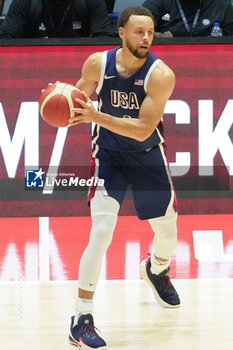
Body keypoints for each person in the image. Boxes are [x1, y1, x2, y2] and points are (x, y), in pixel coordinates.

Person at [66, 5, 180, 349]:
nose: (146, 38)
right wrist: (63, 104)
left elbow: (145, 129)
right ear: (121, 32)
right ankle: (81, 316)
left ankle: (156, 270)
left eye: (150, 32)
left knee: (168, 233)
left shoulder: (161, 74)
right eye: (138, 32)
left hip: (147, 156)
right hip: (109, 157)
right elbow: (77, 100)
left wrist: (95, 115)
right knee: (101, 231)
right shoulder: (97, 63)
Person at [0, 0, 112, 38]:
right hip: (34, 66)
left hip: (80, 65)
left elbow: (104, 38)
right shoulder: (26, 2)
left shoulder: (91, 2)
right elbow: (6, 39)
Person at [142, 0, 233, 37]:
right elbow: (139, 29)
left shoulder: (220, 4)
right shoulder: (159, 2)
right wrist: (156, 36)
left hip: (214, 62)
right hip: (165, 61)